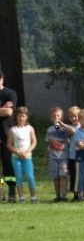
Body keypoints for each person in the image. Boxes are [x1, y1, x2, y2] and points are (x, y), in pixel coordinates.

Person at [8, 106, 38, 203]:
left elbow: (34, 142)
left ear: (27, 117)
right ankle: (21, 197)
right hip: (16, 157)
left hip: (27, 157)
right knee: (19, 177)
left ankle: (33, 196)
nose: (21, 118)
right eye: (19, 116)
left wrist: (27, 151)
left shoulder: (30, 128)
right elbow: (9, 144)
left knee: (30, 176)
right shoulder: (12, 130)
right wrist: (17, 152)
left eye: (23, 116)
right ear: (16, 117)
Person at [44, 106, 74, 202]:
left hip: (63, 157)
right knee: (56, 177)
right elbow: (48, 144)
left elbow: (73, 131)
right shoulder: (49, 130)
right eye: (54, 116)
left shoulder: (64, 128)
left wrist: (63, 124)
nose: (56, 118)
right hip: (53, 157)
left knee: (63, 176)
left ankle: (63, 196)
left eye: (58, 116)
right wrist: (45, 157)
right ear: (51, 118)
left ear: (61, 117)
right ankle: (58, 195)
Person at [0, 68, 18, 202]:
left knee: (8, 164)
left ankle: (12, 190)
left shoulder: (10, 93)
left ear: (1, 79)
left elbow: (8, 113)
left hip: (6, 135)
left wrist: (5, 109)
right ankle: (1, 192)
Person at [66, 105, 80, 200]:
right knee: (73, 175)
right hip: (71, 156)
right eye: (72, 116)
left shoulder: (81, 126)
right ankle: (75, 194)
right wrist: (58, 121)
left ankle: (80, 194)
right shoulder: (69, 126)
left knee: (79, 175)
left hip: (79, 156)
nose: (74, 118)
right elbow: (57, 128)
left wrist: (62, 124)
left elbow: (73, 131)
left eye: (76, 116)